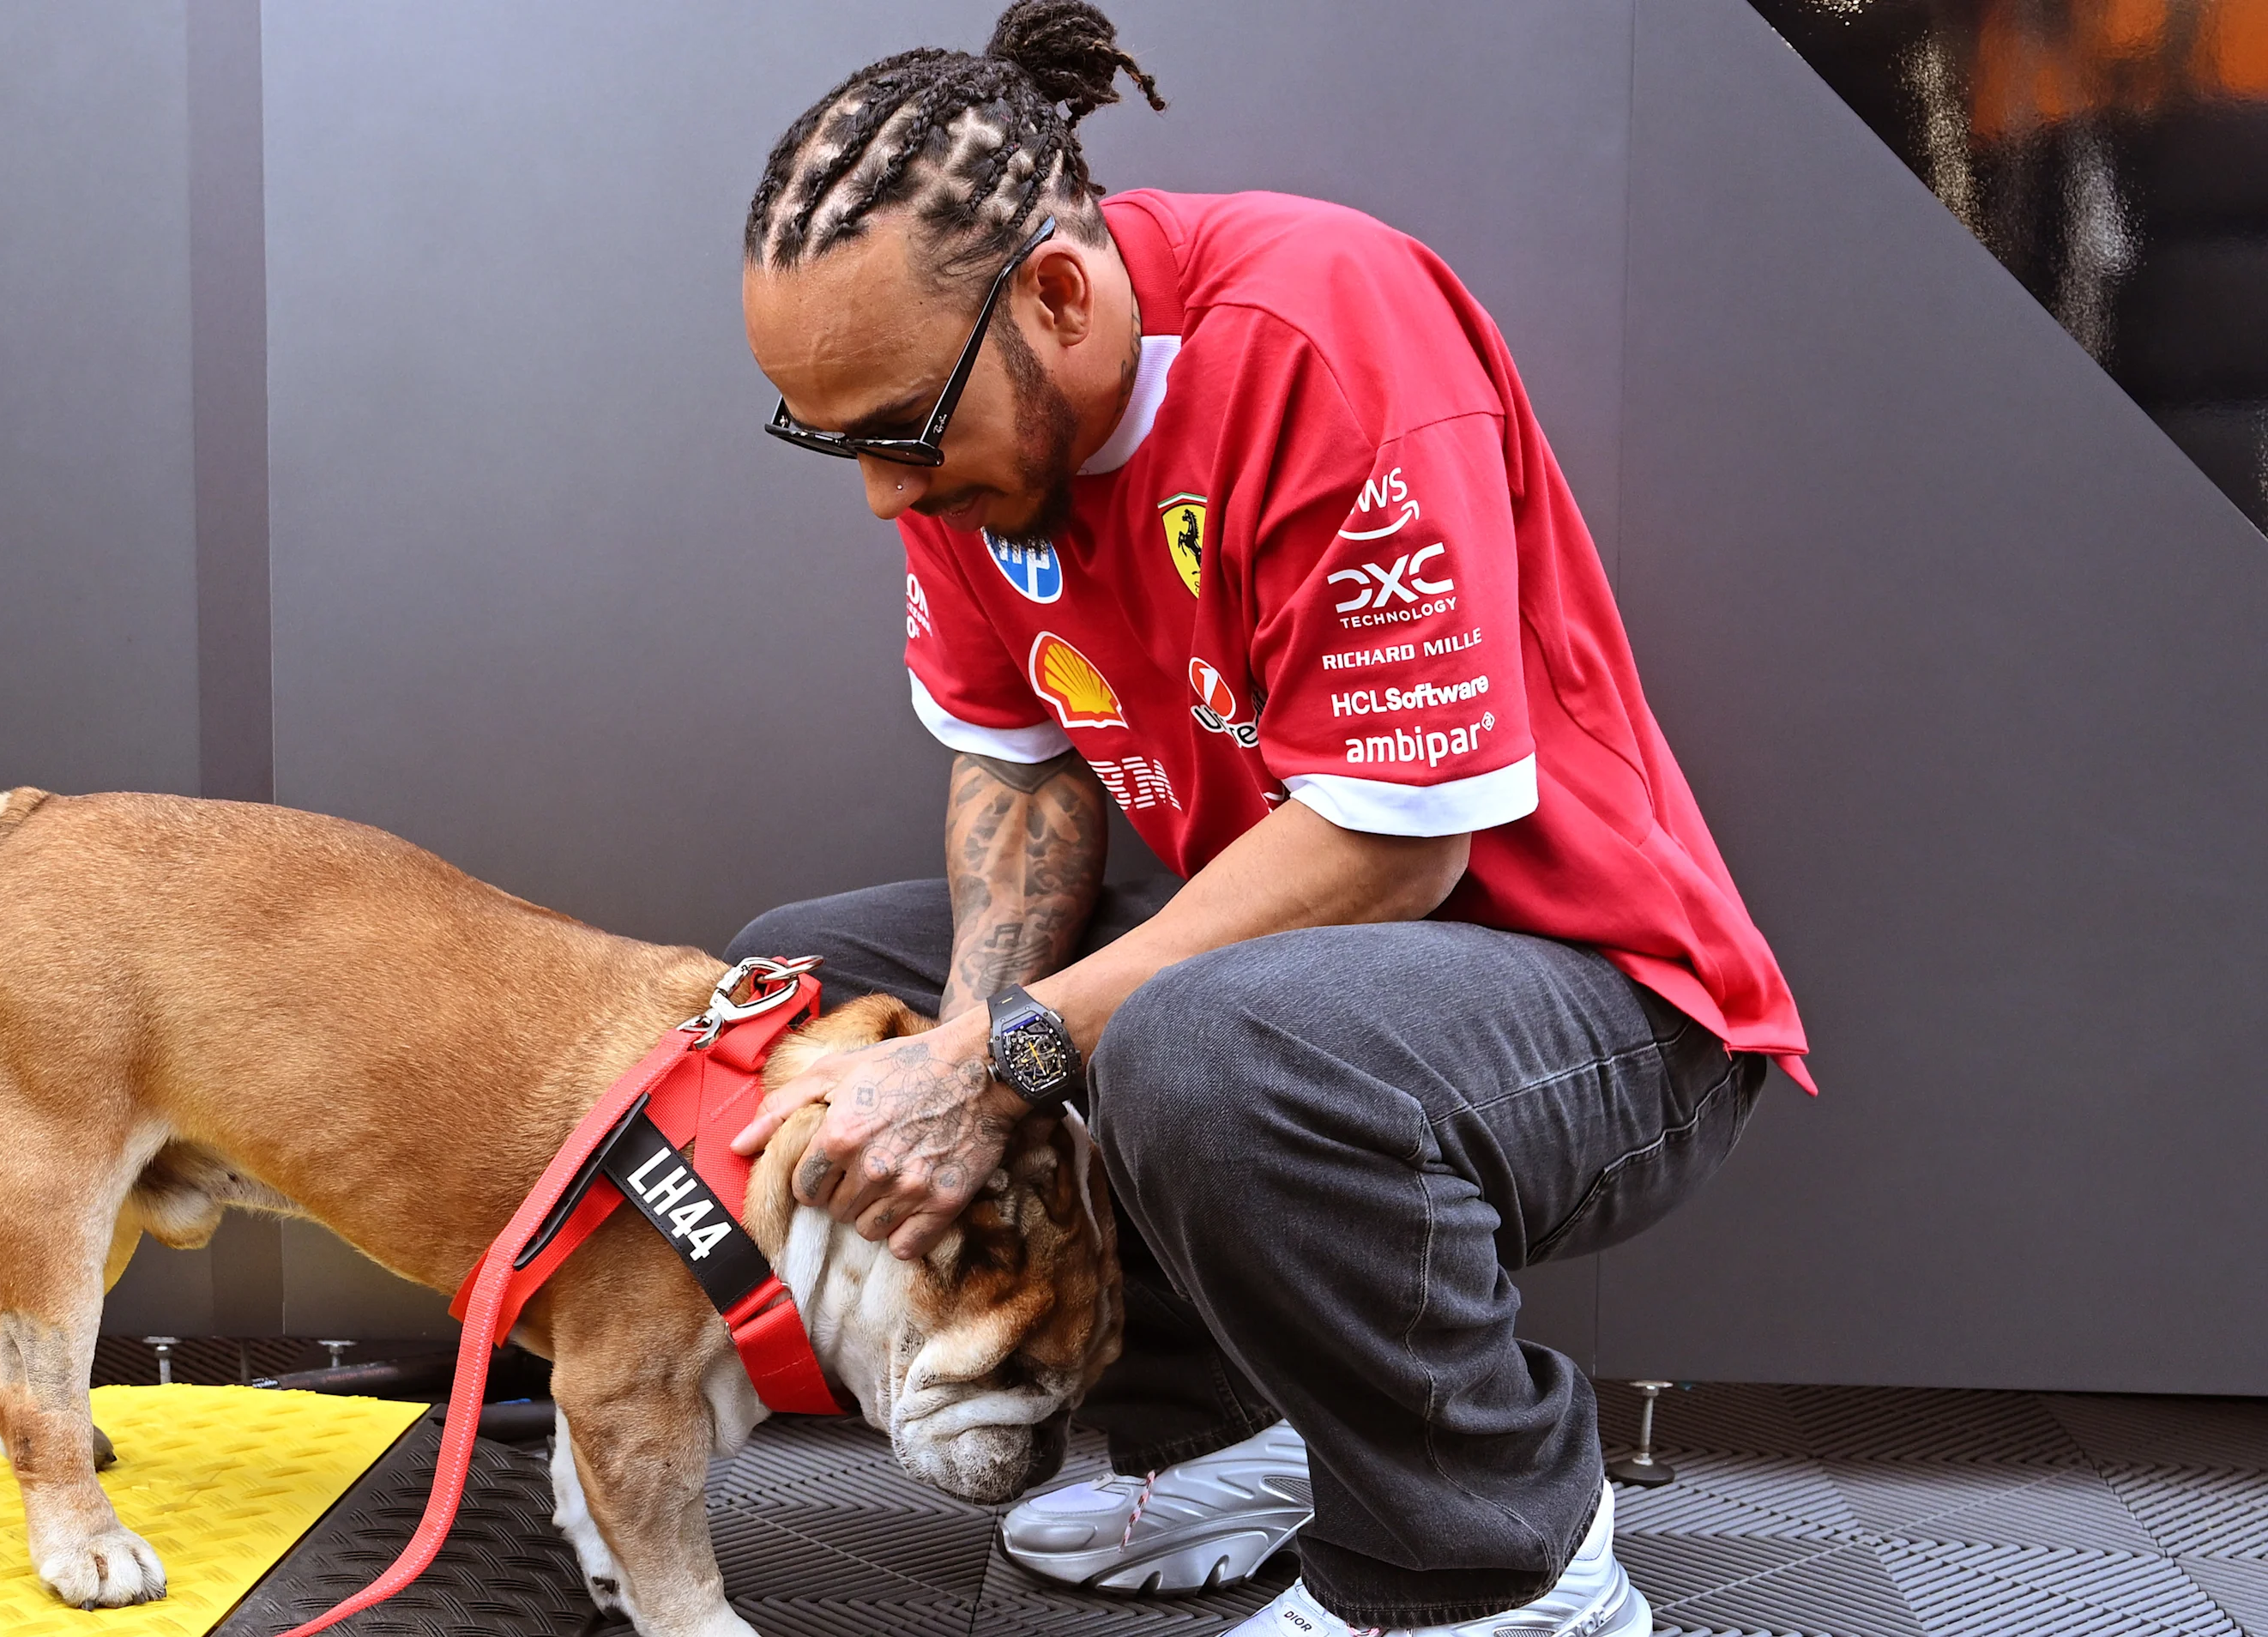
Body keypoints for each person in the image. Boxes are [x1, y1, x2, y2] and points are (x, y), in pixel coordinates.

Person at [720, 4, 1813, 1634]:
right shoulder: (973, 432)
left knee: (1203, 1048)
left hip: (1603, 1006)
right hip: (1296, 988)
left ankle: (1501, 1565)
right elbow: (1022, 768)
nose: (885, 495)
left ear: (1060, 297)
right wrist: (952, 1051)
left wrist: (990, 1064)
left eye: (899, 434)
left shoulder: (1316, 322)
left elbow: (1394, 845)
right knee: (806, 987)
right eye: (838, 441)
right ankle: (1233, 1428)